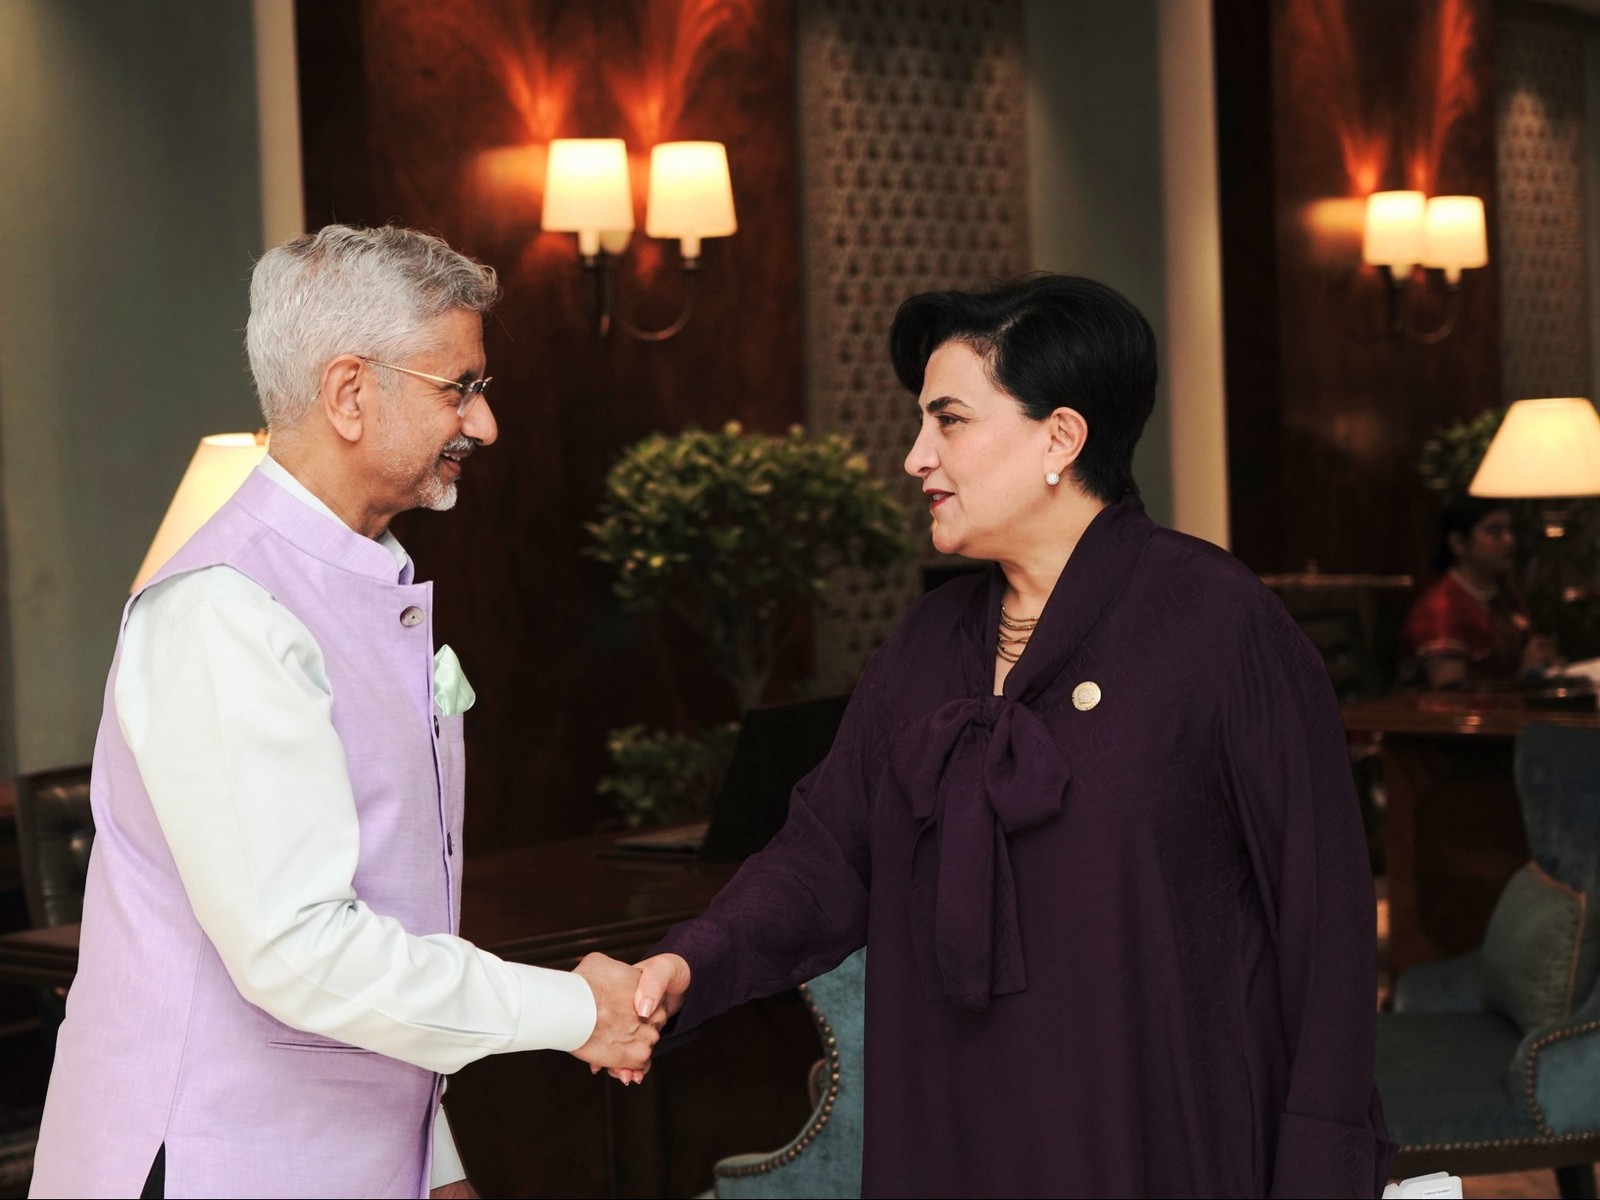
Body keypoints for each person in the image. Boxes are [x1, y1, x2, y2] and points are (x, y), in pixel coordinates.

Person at [621, 275, 1392, 1196]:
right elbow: (825, 857)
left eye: (949, 421)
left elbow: (1325, 921)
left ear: (1060, 439)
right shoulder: (928, 643)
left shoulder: (1218, 627)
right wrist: (686, 964)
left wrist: (1322, 1165)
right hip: (949, 1128)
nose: (915, 457)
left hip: (1155, 1136)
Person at [30, 225, 660, 1200]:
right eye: (460, 387)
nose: (483, 425)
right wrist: (576, 1009)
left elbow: (387, 915)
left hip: (345, 1154)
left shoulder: (359, 581)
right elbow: (299, 950)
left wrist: (432, 1155)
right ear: (350, 394)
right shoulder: (222, 610)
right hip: (212, 1160)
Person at [1400, 493, 1555, 688]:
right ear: (1459, 543)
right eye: (1495, 532)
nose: (1509, 540)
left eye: (1509, 530)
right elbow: (1450, 694)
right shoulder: (1442, 607)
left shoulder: (1504, 593)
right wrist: (1528, 675)